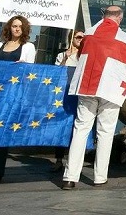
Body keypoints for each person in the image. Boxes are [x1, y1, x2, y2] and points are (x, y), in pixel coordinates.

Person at [62, 6, 126, 190]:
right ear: (119, 18)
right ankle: (100, 177)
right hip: (109, 88)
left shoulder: (89, 32)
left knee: (80, 130)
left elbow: (81, 54)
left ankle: (70, 177)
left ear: (104, 16)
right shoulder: (122, 36)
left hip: (87, 85)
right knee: (106, 132)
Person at [0, 16, 36, 183]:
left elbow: (30, 72)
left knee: (0, 131)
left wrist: (22, 68)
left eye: (20, 26)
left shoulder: (28, 47)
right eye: (14, 26)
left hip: (11, 96)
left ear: (24, 29)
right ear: (9, 28)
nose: (17, 29)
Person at [51, 29, 85, 172]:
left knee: (77, 127)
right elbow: (56, 73)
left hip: (78, 93)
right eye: (78, 37)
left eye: (83, 38)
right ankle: (59, 159)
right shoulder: (62, 55)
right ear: (72, 38)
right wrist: (65, 58)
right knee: (61, 125)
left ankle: (73, 161)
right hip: (64, 93)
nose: (81, 39)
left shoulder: (84, 56)